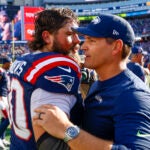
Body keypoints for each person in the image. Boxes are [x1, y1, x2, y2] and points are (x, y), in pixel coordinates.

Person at [33, 13, 150, 149]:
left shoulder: (132, 95)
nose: (83, 46)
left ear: (116, 46)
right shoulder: (99, 83)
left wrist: (66, 130)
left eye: (92, 40)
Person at [7, 8, 83, 150]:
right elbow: (52, 142)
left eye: (77, 34)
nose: (77, 40)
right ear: (47, 37)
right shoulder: (58, 66)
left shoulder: (21, 61)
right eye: (69, 34)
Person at [0, 56, 11, 149]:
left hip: (5, 97)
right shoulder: (1, 71)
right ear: (5, 63)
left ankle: (2, 138)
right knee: (8, 118)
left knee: (4, 119)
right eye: (9, 62)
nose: (11, 64)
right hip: (1, 98)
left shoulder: (5, 72)